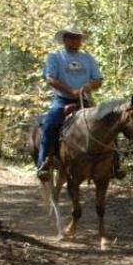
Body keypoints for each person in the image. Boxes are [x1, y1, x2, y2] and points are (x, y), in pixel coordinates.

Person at [36, 25, 106, 180]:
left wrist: (89, 86)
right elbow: (50, 78)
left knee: (107, 123)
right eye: (72, 37)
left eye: (78, 38)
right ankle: (44, 164)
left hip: (85, 100)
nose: (75, 40)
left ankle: (115, 164)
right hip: (62, 99)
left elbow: (98, 79)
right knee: (50, 124)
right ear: (65, 39)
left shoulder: (87, 58)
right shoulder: (55, 57)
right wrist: (71, 91)